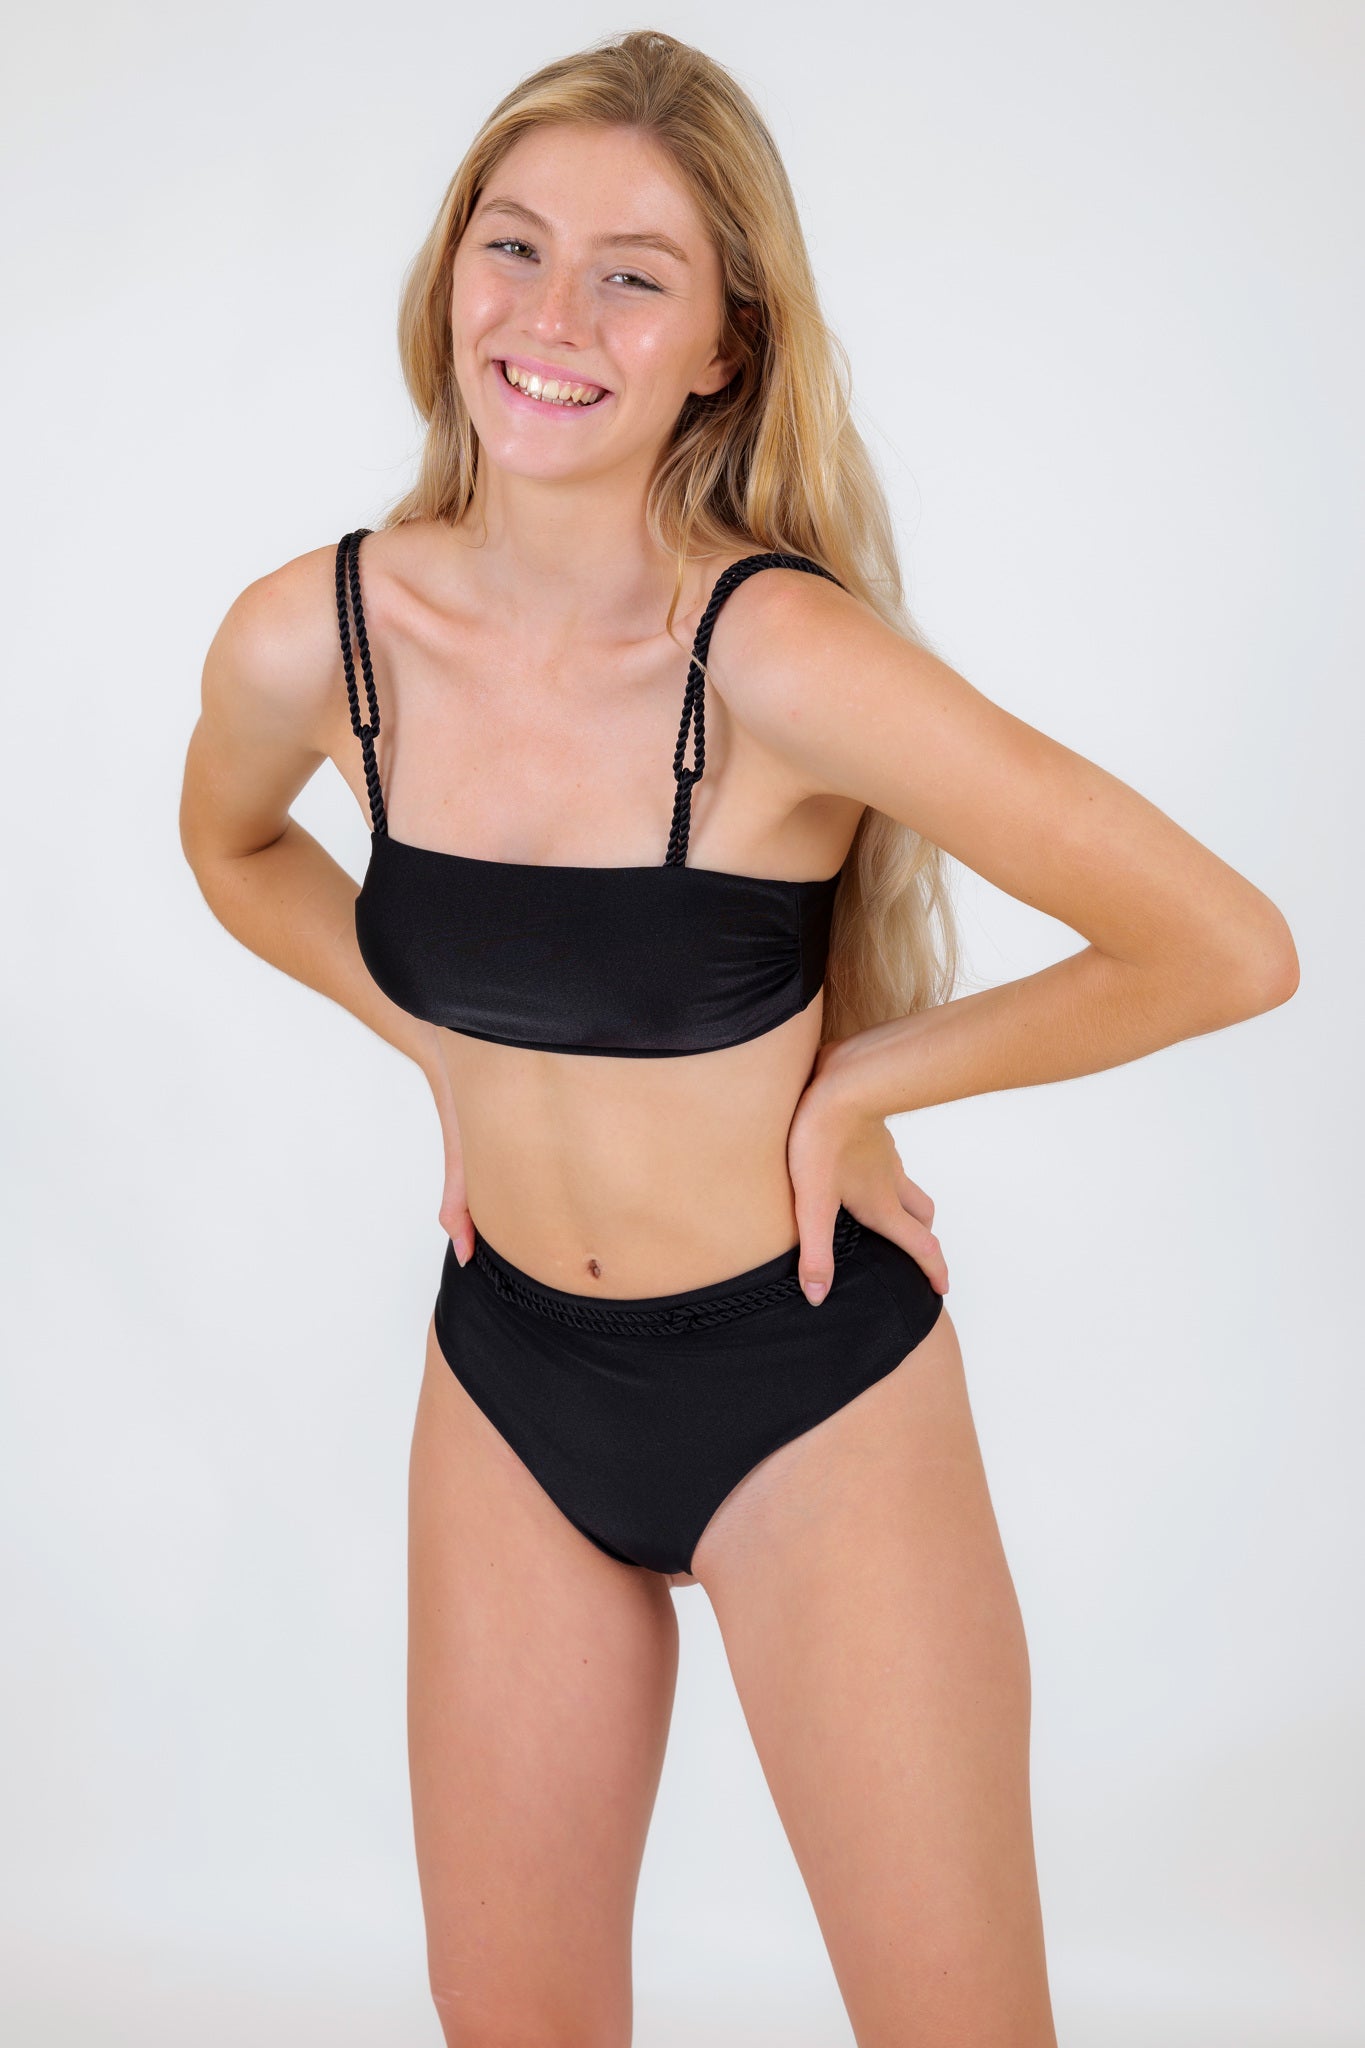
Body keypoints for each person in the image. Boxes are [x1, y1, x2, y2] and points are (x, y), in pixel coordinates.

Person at [178, 28, 1298, 2048]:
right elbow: (232, 849)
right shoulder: (315, 635)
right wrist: (430, 1039)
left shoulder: (773, 654)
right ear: (448, 273)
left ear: (722, 346)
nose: (551, 317)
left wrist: (864, 1077)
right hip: (508, 1375)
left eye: (633, 275)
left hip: (806, 1383)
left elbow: (1220, 945)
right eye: (512, 245)